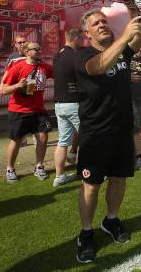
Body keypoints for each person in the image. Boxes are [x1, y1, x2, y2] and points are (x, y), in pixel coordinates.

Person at [74, 6, 141, 263]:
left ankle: (111, 220)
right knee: (91, 186)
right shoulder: (82, 55)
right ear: (87, 33)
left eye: (104, 21)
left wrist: (131, 6)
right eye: (96, 24)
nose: (103, 25)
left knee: (119, 179)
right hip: (96, 134)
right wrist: (124, 37)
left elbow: (140, 34)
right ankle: (86, 232)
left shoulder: (123, 50)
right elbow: (98, 67)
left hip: (121, 130)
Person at [0, 42, 54, 183]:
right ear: (28, 52)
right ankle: (10, 169)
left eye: (40, 48)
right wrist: (18, 85)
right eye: (36, 49)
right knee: (16, 141)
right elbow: (2, 90)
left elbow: (61, 73)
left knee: (43, 138)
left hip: (38, 110)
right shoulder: (18, 67)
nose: (40, 51)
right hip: (19, 110)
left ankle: (39, 166)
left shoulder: (45, 68)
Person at [52, 28, 83, 187]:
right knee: (88, 137)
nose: (84, 42)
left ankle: (59, 177)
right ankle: (90, 172)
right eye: (82, 39)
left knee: (63, 141)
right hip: (73, 102)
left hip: (59, 104)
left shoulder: (58, 55)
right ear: (76, 38)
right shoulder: (74, 56)